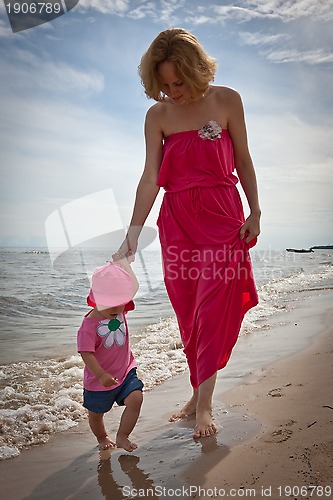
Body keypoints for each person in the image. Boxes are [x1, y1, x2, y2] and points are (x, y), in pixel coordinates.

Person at [115, 28, 261, 439]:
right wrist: (132, 235)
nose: (172, 91)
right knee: (189, 313)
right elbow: (150, 179)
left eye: (178, 82)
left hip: (222, 216)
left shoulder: (227, 100)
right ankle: (198, 395)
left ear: (196, 71)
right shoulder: (158, 116)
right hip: (177, 222)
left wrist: (256, 210)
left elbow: (245, 161)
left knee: (213, 308)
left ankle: (205, 407)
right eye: (163, 84)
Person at [77, 259, 143, 452]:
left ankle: (122, 436)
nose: (116, 309)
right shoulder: (88, 326)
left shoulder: (118, 312)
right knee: (96, 414)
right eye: (110, 303)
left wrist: (124, 263)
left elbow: (135, 285)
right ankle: (102, 436)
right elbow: (86, 353)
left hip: (125, 371)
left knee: (136, 398)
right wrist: (101, 375)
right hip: (99, 380)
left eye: (121, 303)